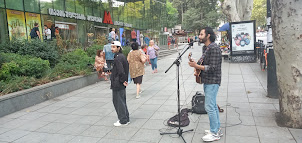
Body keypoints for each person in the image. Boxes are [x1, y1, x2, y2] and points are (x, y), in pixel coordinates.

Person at [188, 27, 222, 142]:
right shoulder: (206, 48)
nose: (199, 36)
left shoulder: (214, 48)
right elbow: (203, 62)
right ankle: (216, 129)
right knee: (212, 105)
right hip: (207, 80)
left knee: (209, 106)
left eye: (201, 34)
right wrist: (195, 63)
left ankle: (214, 133)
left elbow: (212, 68)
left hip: (213, 80)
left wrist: (197, 67)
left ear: (208, 36)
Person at [110, 41, 130, 127]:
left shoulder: (118, 58)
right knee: (122, 101)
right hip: (120, 82)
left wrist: (122, 80)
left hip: (117, 83)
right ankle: (126, 118)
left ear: (119, 48)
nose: (112, 49)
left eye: (114, 47)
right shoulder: (121, 56)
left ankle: (123, 120)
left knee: (118, 101)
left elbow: (121, 71)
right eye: (112, 47)